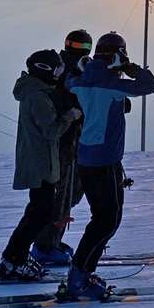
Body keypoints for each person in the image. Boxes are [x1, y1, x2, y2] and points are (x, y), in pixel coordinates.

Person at [60, 31, 154, 301]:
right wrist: (130, 68)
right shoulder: (114, 85)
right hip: (106, 161)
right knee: (108, 220)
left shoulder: (82, 82)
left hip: (85, 160)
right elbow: (150, 85)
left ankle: (80, 273)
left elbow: (69, 81)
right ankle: (79, 278)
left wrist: (85, 66)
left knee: (100, 219)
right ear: (118, 56)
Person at [0, 49, 81, 283]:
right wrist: (71, 116)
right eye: (57, 69)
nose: (59, 74)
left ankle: (14, 257)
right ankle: (13, 259)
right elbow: (51, 131)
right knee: (39, 214)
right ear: (45, 70)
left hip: (41, 161)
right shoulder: (38, 97)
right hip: (40, 163)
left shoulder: (35, 91)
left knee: (38, 212)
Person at [30, 29, 93, 267]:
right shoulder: (62, 71)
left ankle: (51, 240)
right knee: (63, 195)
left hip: (77, 142)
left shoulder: (82, 68)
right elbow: (63, 102)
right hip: (63, 143)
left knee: (74, 193)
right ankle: (46, 245)